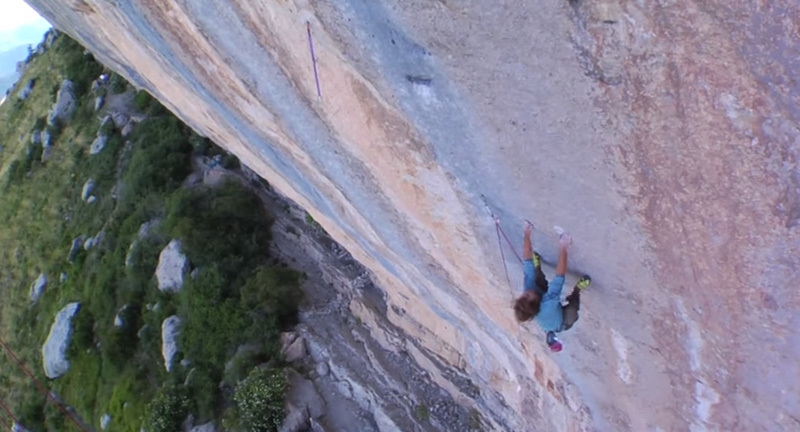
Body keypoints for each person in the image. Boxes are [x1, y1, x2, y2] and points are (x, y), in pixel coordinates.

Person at [512, 221, 590, 352]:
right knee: (572, 312)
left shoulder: (529, 294)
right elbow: (560, 275)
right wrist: (564, 246)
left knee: (536, 281)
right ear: (537, 303)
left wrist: (526, 233)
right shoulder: (548, 304)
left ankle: (537, 267)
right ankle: (577, 289)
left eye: (524, 295)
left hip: (547, 318)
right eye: (528, 295)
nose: (527, 291)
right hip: (561, 322)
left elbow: (526, 257)